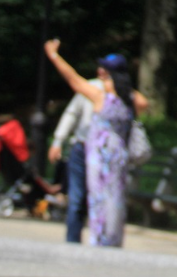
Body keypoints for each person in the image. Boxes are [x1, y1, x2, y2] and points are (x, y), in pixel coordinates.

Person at [45, 41, 148, 247]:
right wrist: (122, 84)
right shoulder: (129, 99)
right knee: (115, 196)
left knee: (99, 195)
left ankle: (100, 238)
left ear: (109, 74)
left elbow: (73, 79)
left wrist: (54, 56)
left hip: (100, 154)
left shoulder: (101, 96)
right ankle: (112, 238)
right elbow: (143, 103)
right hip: (119, 153)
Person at [48, 72, 104, 242]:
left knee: (99, 197)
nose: (103, 72)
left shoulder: (122, 92)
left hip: (104, 152)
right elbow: (71, 113)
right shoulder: (90, 86)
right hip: (82, 146)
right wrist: (58, 140)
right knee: (77, 197)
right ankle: (72, 241)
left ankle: (100, 241)